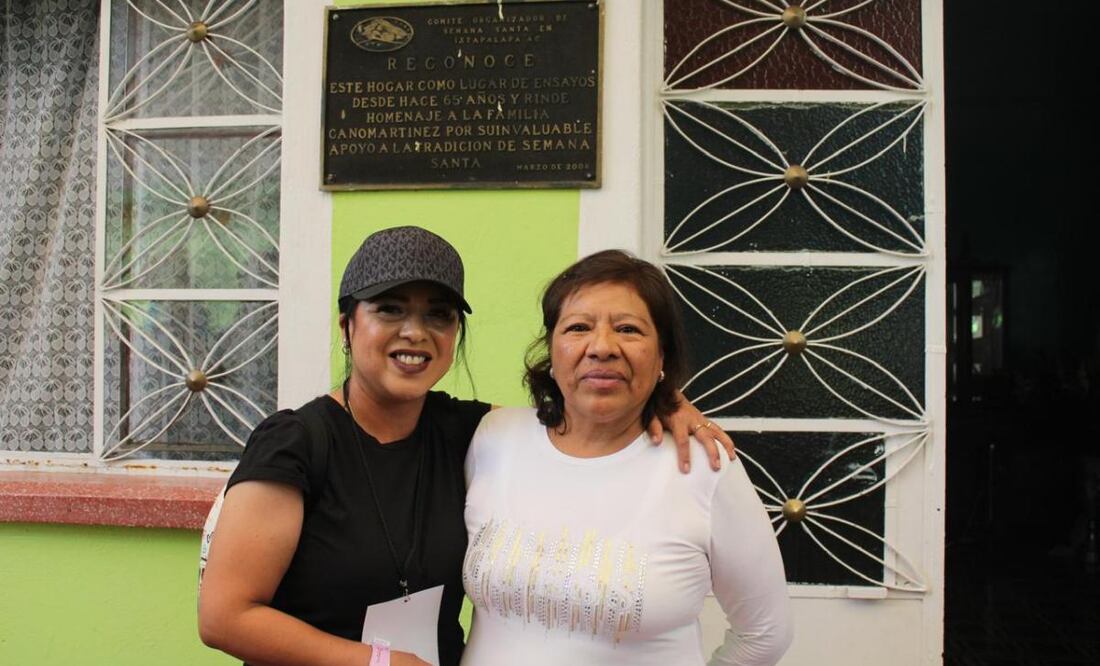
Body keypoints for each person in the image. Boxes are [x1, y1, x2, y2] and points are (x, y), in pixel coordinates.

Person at [198, 227, 734, 666]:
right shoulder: (295, 444)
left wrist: (663, 400)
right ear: (347, 325)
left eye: (438, 314)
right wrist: (377, 662)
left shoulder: (470, 432)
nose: (415, 332)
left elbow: (579, 418)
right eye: (389, 309)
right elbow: (225, 617)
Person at [462, 250, 792, 665]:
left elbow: (765, 634)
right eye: (579, 327)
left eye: (628, 329)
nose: (602, 347)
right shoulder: (494, 438)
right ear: (552, 350)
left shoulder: (704, 467)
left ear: (662, 356)